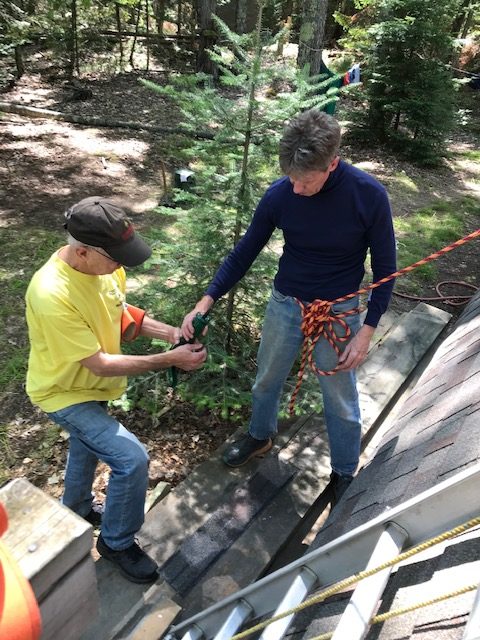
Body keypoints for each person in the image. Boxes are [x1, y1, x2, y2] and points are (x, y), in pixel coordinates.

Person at [182, 109, 396, 504]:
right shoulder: (281, 194)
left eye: (306, 180)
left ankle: (345, 471)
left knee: (340, 396)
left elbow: (386, 270)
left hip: (339, 310)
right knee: (267, 379)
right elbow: (244, 252)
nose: (296, 188)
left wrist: (367, 330)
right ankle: (260, 435)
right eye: (291, 178)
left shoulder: (368, 196)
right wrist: (206, 298)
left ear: (332, 164)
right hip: (286, 303)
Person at [25, 196, 207, 584]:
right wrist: (169, 360)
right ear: (82, 251)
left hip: (92, 387)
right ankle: (116, 542)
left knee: (85, 444)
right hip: (63, 393)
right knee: (131, 459)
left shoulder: (104, 269)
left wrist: (171, 334)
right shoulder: (51, 293)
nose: (121, 266)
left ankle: (74, 507)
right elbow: (99, 363)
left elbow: (120, 314)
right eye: (115, 257)